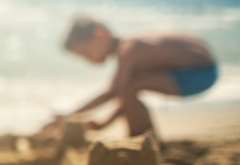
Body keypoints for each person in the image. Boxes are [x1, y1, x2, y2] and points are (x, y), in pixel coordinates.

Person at [46, 16, 217, 138]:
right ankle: (143, 139)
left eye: (86, 53)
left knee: (129, 86)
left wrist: (69, 116)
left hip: (199, 73)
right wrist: (104, 123)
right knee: (130, 85)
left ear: (101, 33)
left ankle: (141, 140)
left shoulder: (128, 50)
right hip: (198, 68)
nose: (89, 61)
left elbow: (113, 92)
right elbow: (123, 96)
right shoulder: (130, 46)